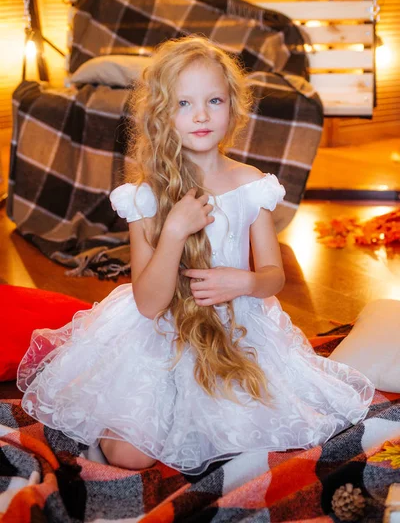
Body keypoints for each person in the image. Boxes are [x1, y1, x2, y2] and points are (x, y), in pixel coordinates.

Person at [17, 35, 374, 475]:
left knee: (267, 427)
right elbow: (149, 303)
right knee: (128, 455)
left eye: (214, 100)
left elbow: (273, 275)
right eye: (183, 103)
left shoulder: (252, 185)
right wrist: (174, 232)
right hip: (162, 333)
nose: (201, 115)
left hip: (237, 329)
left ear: (234, 107)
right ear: (163, 114)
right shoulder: (144, 197)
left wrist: (243, 282)